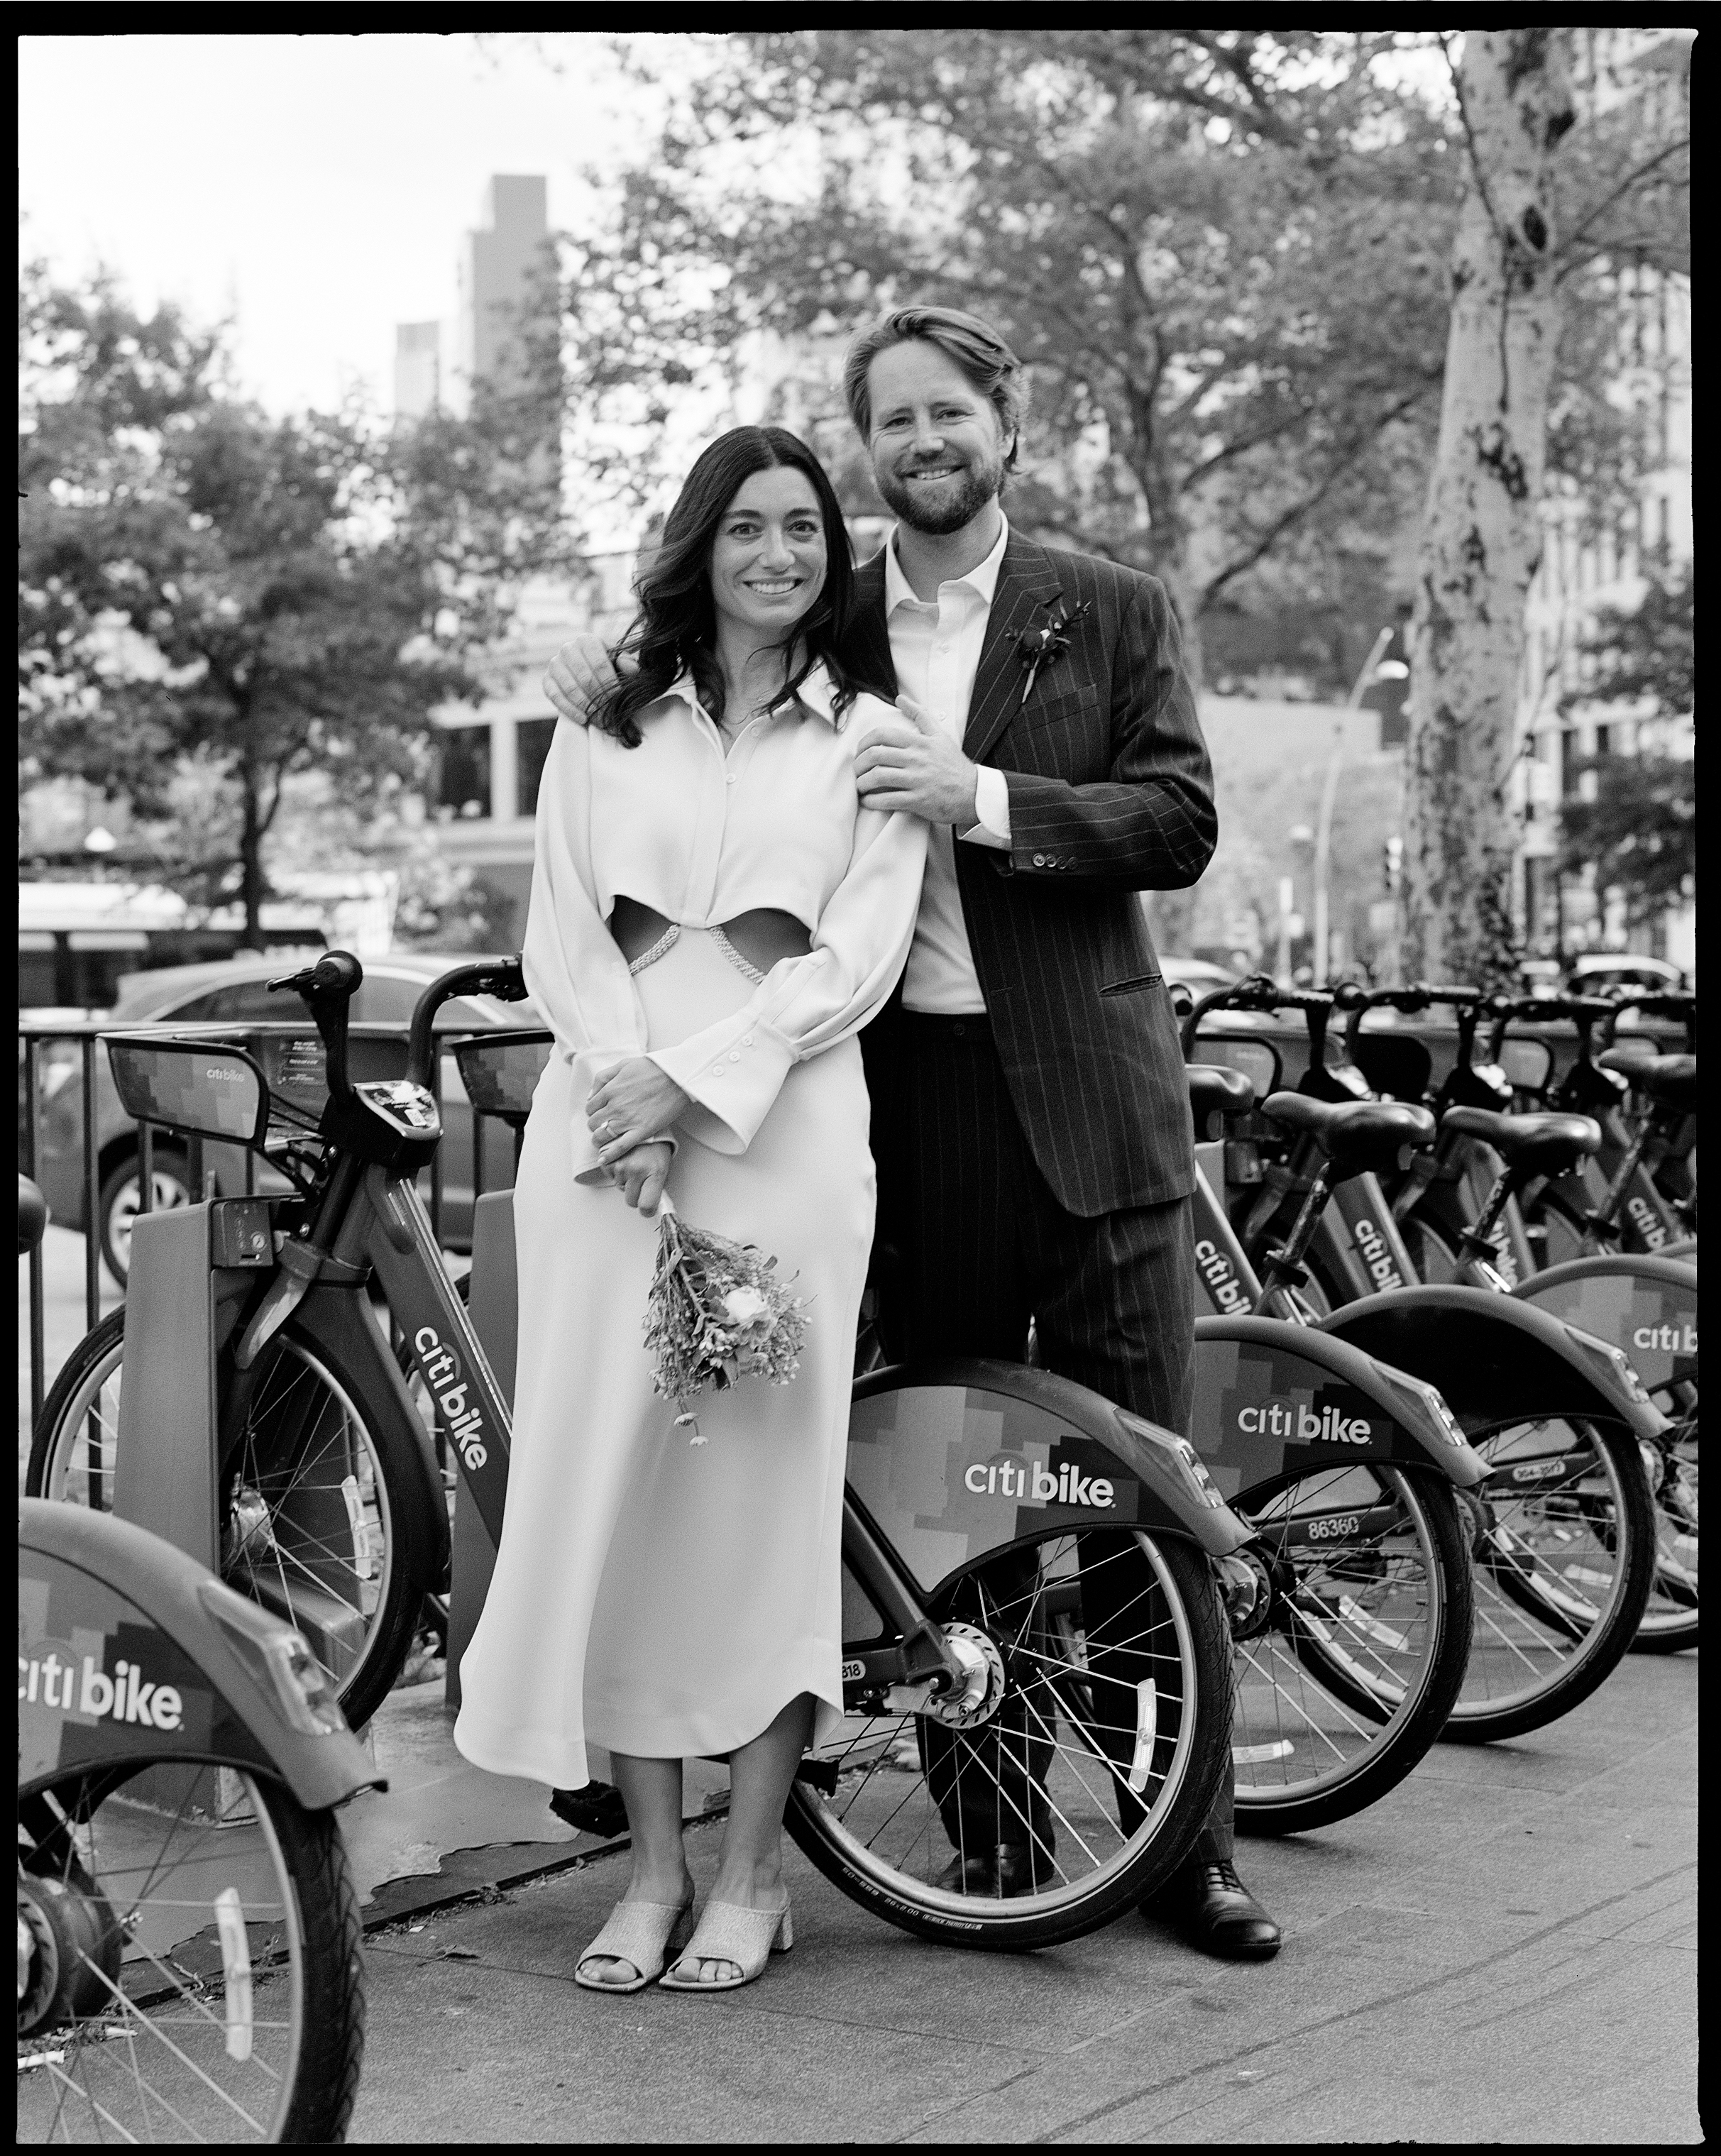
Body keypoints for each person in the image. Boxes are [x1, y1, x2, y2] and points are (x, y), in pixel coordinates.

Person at [545, 305, 1281, 1962]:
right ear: (862, 444)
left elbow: (1177, 821)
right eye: (892, 421)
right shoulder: (829, 607)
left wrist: (985, 801)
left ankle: (1189, 1845)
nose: (923, 442)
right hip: (899, 1098)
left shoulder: (1109, 606)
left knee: (1137, 1478)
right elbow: (687, 723)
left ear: (1005, 426)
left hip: (1094, 1098)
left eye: (950, 413)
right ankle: (994, 1827)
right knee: (953, 1484)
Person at [454, 425, 928, 1994]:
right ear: (698, 544)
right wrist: (622, 1095)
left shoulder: (873, 737)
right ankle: (651, 1871)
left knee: (758, 1504)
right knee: (621, 1489)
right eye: (746, 527)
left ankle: (752, 1872)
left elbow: (855, 958)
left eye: (804, 528)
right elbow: (562, 935)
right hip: (602, 1138)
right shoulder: (605, 720)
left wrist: (695, 1084)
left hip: (783, 1127)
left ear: (832, 556)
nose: (778, 554)